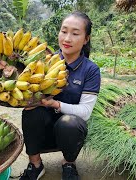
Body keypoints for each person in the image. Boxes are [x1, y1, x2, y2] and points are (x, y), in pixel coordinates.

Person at [20, 11, 101, 180]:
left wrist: (55, 104)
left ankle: (68, 163)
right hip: (43, 129)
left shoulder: (90, 70)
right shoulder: (45, 60)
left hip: (70, 133)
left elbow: (85, 112)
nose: (67, 38)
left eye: (75, 33)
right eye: (64, 31)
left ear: (86, 39)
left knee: (69, 122)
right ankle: (35, 165)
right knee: (31, 112)